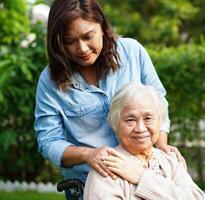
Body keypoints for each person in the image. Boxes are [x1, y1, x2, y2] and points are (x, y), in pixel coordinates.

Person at [34, 0, 185, 198]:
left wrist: (162, 145)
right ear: (58, 42)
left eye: (88, 36)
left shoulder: (132, 52)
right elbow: (48, 140)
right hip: (92, 184)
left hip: (144, 176)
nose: (82, 48)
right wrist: (88, 155)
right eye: (69, 41)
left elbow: (158, 102)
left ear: (103, 28)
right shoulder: (49, 81)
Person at [84, 84, 205, 200]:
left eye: (148, 118)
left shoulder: (170, 161)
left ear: (160, 122)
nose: (140, 128)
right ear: (116, 124)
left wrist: (142, 178)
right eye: (130, 120)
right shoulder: (106, 167)